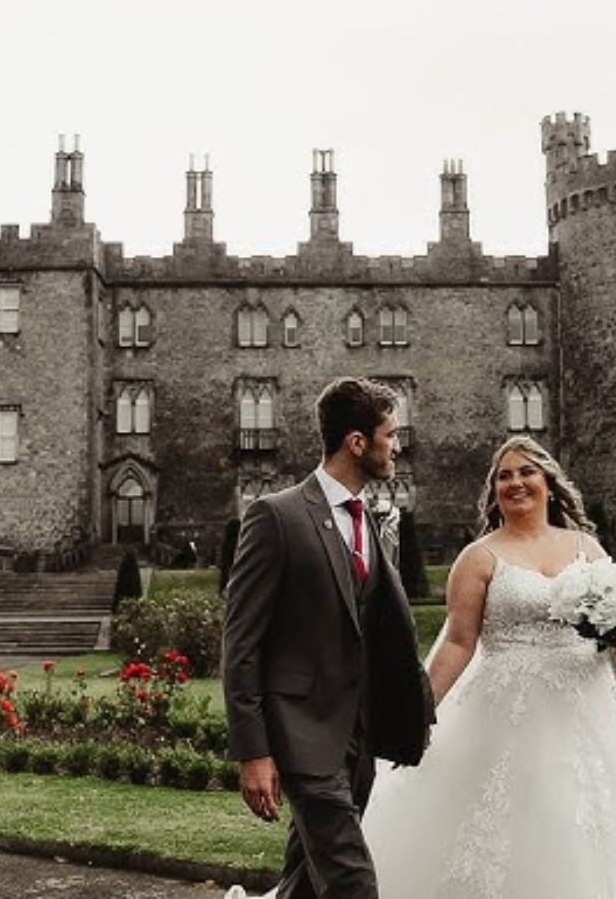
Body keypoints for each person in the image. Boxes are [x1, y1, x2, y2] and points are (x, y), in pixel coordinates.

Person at [359, 436, 616, 897]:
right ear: (494, 491)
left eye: (526, 473)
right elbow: (460, 643)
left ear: (548, 483)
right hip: (505, 712)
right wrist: (416, 713)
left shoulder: (585, 546)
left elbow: (612, 623)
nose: (515, 483)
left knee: (588, 820)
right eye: (504, 476)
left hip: (584, 708)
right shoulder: (478, 557)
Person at [222, 378, 435, 899]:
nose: (398, 445)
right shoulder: (277, 515)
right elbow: (240, 642)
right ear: (356, 442)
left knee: (306, 882)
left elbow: (382, 634)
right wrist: (254, 752)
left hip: (358, 737)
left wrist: (412, 711)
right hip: (300, 733)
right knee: (351, 881)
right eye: (390, 434)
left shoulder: (372, 520)